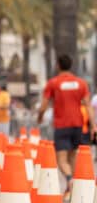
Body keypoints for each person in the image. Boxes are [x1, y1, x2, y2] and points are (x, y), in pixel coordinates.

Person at [38, 54, 91, 189]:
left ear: (58, 65)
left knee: (61, 159)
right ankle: (73, 188)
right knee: (72, 156)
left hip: (62, 125)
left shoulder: (54, 83)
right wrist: (93, 124)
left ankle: (69, 179)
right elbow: (88, 105)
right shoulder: (81, 83)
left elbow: (44, 104)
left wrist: (40, 117)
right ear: (71, 65)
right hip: (77, 124)